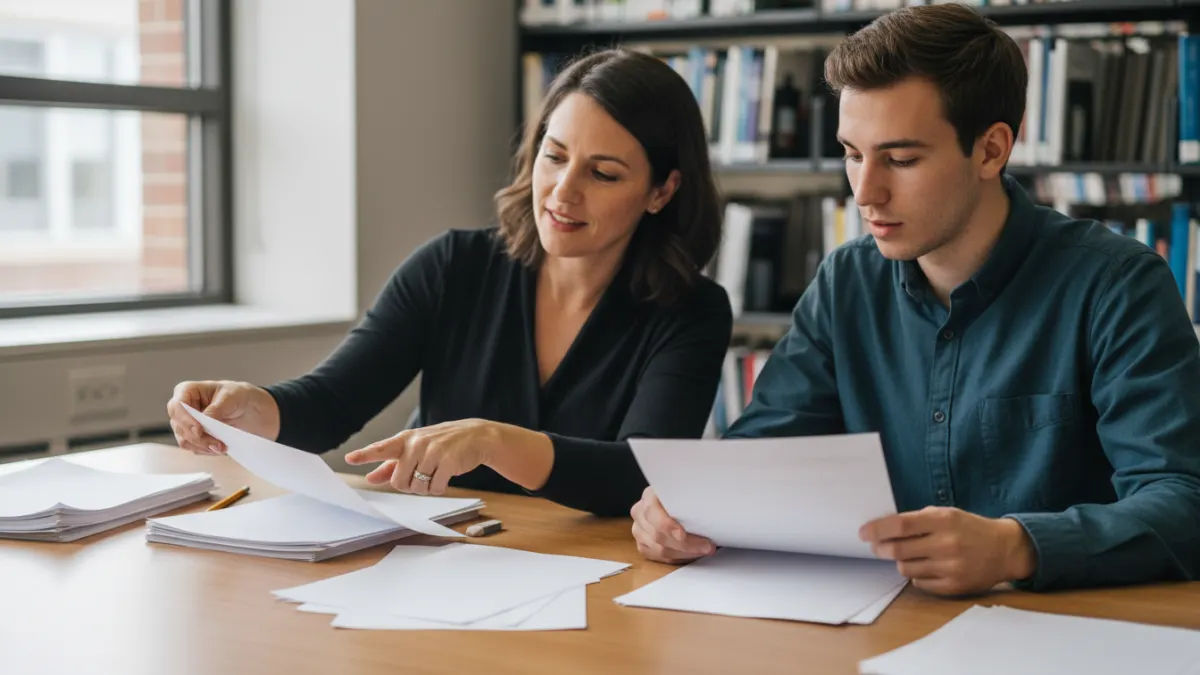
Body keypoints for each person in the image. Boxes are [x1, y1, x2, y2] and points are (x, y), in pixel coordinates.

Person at [631, 3, 1200, 594]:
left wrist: (1017, 546)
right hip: (881, 618)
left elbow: (1184, 499)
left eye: (901, 159)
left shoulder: (1117, 284)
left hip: (1067, 623)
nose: (865, 192)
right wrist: (686, 509)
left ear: (991, 150)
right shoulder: (846, 283)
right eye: (853, 154)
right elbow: (761, 454)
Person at [166, 48, 733, 517]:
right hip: (441, 559)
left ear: (662, 191)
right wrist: (250, 408)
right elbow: (332, 403)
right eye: (554, 156)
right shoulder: (453, 266)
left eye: (603, 174)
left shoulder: (693, 312)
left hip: (594, 576)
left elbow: (639, 475)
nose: (563, 191)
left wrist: (495, 441)